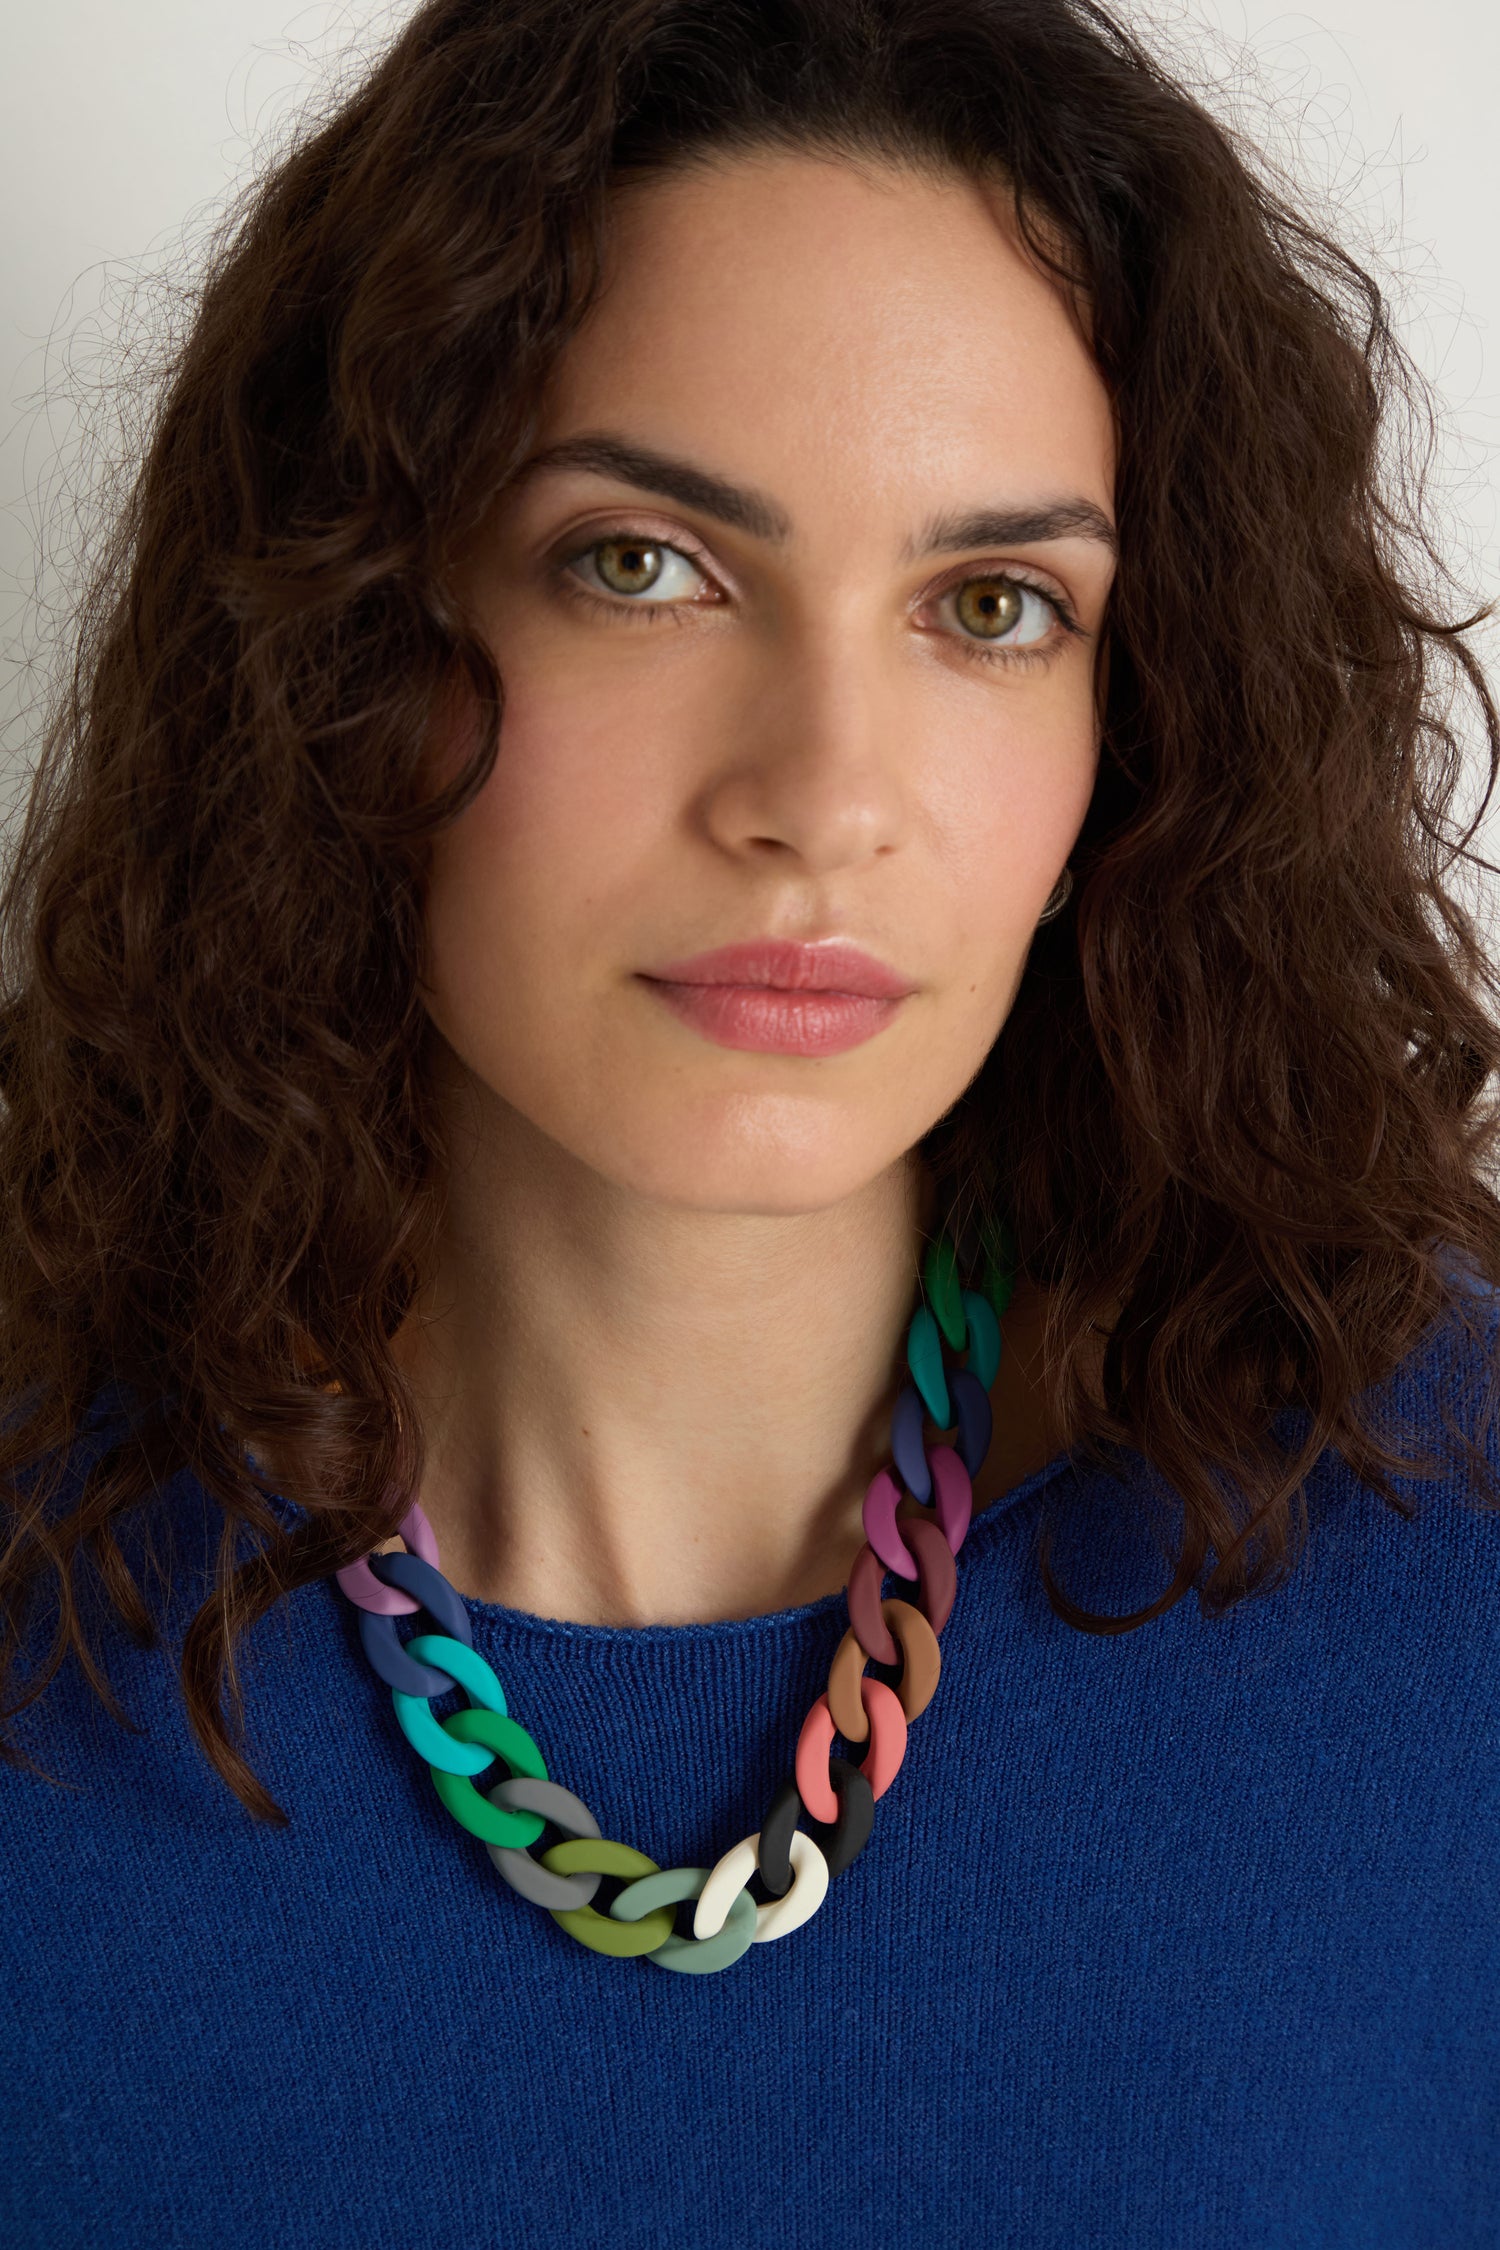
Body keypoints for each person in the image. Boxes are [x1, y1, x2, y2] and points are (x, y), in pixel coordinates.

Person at [2, 0, 1497, 2242]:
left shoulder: (1451, 1547)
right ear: (343, 645)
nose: (822, 797)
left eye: (992, 606)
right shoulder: (50, 1569)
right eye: (643, 563)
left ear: (1141, 730)